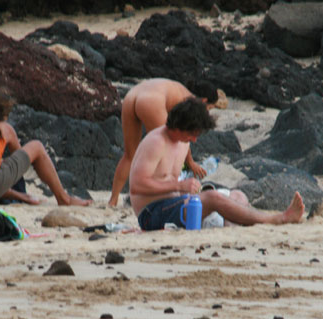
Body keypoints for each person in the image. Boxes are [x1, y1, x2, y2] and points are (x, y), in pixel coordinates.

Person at [129, 97, 304, 230]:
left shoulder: (183, 142)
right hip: (151, 213)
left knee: (238, 196)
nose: (195, 139)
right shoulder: (156, 142)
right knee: (213, 198)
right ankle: (277, 219)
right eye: (193, 133)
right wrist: (180, 185)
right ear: (180, 126)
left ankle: (231, 230)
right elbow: (137, 185)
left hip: (178, 205)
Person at [0, 88, 92, 206]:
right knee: (37, 147)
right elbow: (20, 160)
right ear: (6, 114)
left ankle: (20, 195)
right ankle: (64, 199)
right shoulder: (6, 129)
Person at [108, 78, 219, 206]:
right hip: (151, 101)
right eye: (209, 108)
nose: (207, 112)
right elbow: (181, 134)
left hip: (132, 95)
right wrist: (190, 162)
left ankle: (113, 200)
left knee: (129, 155)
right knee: (166, 146)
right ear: (204, 101)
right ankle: (150, 195)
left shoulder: (179, 88)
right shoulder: (190, 102)